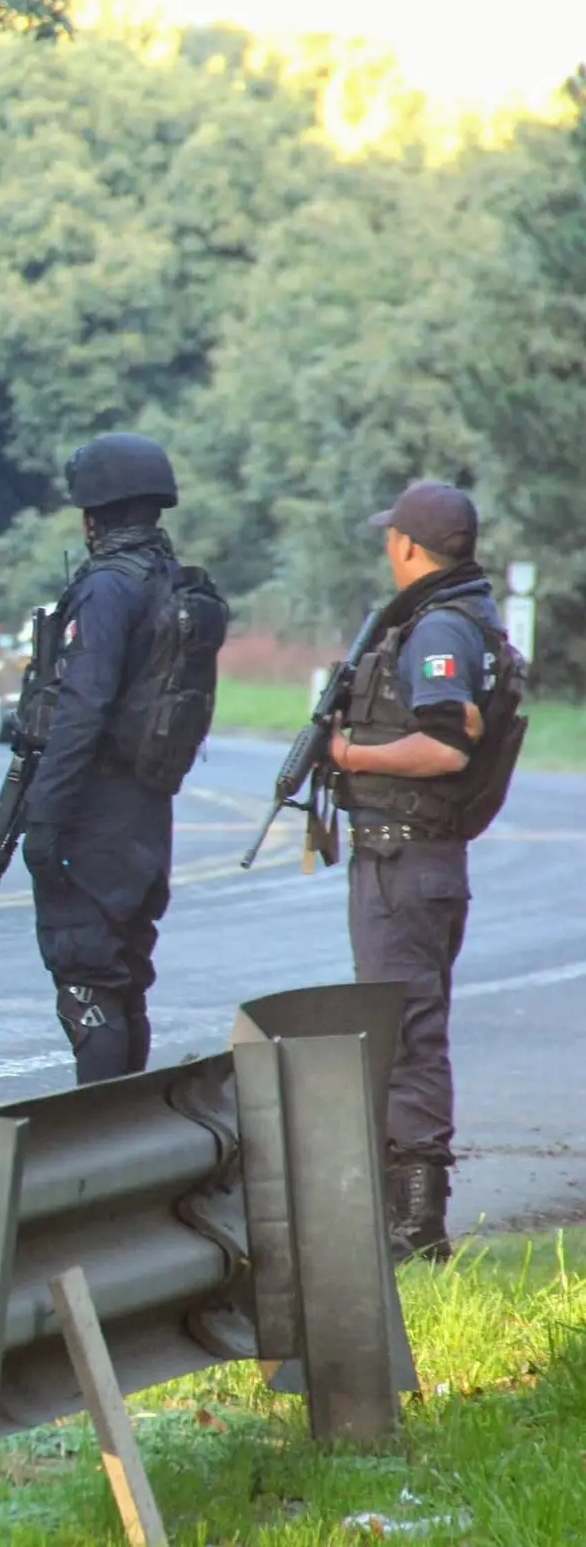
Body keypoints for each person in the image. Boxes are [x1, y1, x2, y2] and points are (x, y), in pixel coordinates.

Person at [329, 479, 526, 1264]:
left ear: (409, 546)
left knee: (406, 1032)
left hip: (407, 857)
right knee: (403, 1027)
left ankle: (416, 1226)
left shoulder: (440, 625)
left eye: (392, 536)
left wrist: (351, 755)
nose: (388, 547)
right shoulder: (464, 614)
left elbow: (447, 743)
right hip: (415, 857)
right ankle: (400, 1213)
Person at [21, 433, 225, 1086]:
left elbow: (81, 709)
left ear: (91, 516)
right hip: (145, 812)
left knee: (88, 982)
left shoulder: (107, 588)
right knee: (123, 979)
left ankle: (97, 1145)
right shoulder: (170, 581)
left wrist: (43, 817)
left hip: (97, 814)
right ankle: (124, 1137)